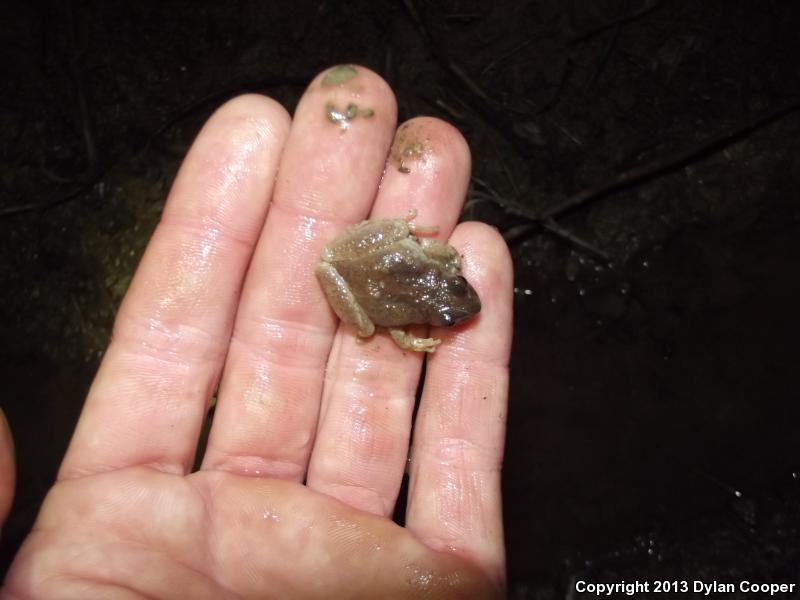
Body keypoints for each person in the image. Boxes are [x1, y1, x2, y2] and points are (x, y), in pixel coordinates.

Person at [1, 66, 512, 599]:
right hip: (367, 276)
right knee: (360, 310)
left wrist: (412, 253)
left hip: (381, 264)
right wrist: (409, 329)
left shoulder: (433, 280)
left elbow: (441, 260)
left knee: (367, 287)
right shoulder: (421, 303)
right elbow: (423, 282)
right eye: (449, 313)